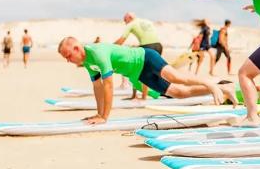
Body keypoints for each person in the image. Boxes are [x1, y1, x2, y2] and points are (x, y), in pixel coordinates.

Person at [57, 38, 236, 124]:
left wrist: (104, 117)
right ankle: (226, 88)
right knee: (179, 93)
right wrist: (98, 113)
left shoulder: (98, 53)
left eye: (68, 55)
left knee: (176, 77)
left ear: (76, 48)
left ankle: (211, 83)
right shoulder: (87, 62)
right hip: (139, 73)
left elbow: (108, 86)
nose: (68, 60)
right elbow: (97, 87)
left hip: (146, 58)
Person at [114, 13, 164, 99]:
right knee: (155, 71)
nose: (125, 22)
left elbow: (122, 39)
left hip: (148, 46)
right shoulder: (146, 21)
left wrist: (111, 47)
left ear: (129, 18)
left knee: (140, 70)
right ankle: (162, 91)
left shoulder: (131, 24)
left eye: (125, 20)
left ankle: (142, 97)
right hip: (158, 45)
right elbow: (149, 36)